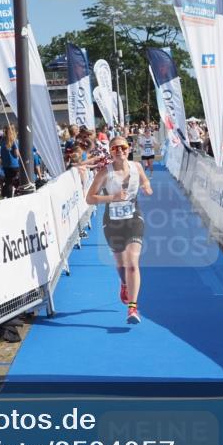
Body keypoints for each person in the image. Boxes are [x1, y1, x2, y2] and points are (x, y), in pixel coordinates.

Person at [85, 135, 153, 325]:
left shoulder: (136, 167)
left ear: (128, 149)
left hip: (133, 218)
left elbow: (145, 180)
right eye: (115, 149)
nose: (119, 151)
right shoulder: (104, 173)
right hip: (112, 222)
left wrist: (147, 187)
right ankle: (124, 284)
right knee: (122, 265)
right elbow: (89, 199)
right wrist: (112, 198)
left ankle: (132, 307)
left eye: (122, 147)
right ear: (110, 152)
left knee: (132, 263)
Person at [0, 124, 22, 198]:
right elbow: (16, 154)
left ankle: (5, 195)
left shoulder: (2, 140)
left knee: (8, 181)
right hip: (14, 165)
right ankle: (12, 194)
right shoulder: (14, 141)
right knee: (17, 180)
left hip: (6, 165)